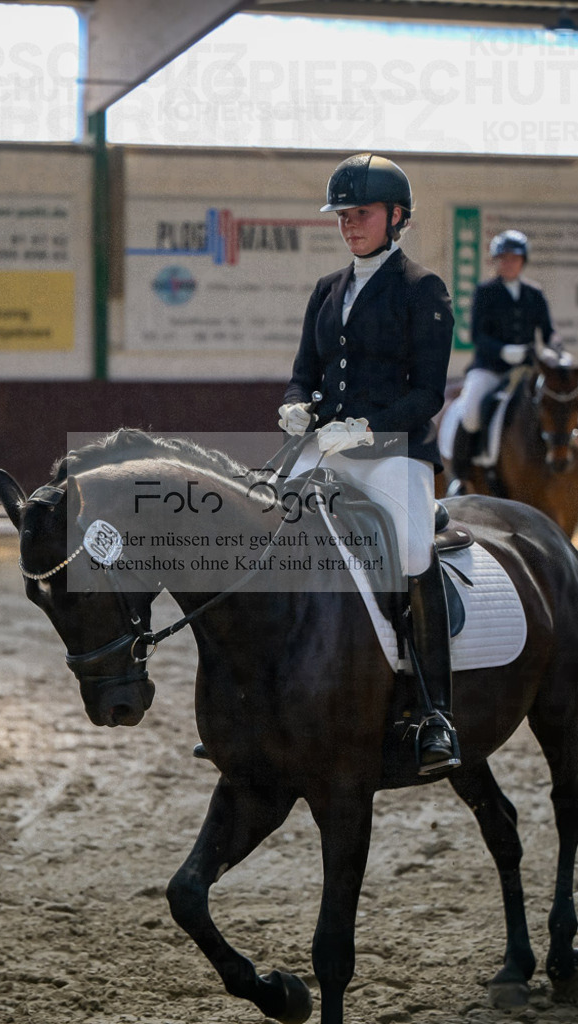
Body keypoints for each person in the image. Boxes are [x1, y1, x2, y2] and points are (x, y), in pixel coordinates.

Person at [278, 152, 459, 776]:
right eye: (343, 215)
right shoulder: (327, 289)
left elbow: (428, 393)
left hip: (393, 452)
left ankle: (435, 711)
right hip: (324, 447)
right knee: (267, 528)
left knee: (411, 549)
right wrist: (296, 406)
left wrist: (367, 429)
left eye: (362, 213)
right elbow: (304, 372)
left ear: (396, 216)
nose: (349, 224)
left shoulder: (422, 289)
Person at [450, 229, 559, 490]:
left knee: (555, 406)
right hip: (490, 368)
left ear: (522, 261)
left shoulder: (534, 293)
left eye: (514, 258)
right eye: (503, 258)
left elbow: (548, 332)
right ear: (496, 262)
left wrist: (556, 350)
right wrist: (503, 350)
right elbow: (477, 335)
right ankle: (461, 476)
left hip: (527, 369)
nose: (508, 263)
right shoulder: (485, 292)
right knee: (472, 411)